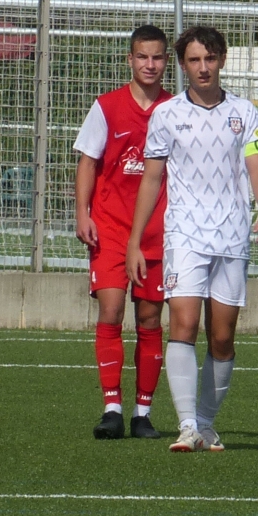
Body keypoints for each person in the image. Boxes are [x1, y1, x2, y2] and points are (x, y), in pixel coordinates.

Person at [126, 25, 258, 453]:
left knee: (222, 338)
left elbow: (256, 164)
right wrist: (136, 241)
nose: (203, 67)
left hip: (231, 236)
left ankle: (208, 423)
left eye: (210, 59)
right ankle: (188, 425)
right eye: (194, 60)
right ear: (182, 65)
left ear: (222, 60)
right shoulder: (167, 114)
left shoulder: (244, 112)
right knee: (184, 324)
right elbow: (152, 178)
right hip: (185, 234)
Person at [74, 25, 169, 440]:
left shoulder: (175, 109)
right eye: (142, 56)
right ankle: (111, 408)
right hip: (110, 228)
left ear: (166, 62)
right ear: (130, 60)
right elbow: (88, 162)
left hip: (157, 233)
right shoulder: (107, 107)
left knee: (149, 318)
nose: (150, 64)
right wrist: (82, 213)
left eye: (157, 57)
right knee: (111, 311)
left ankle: (142, 413)